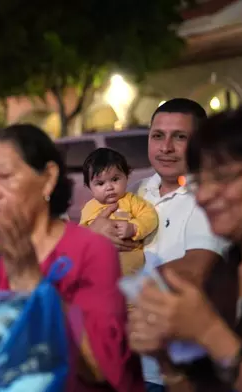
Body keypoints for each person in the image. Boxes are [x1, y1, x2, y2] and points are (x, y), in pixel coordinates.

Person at [0, 124, 144, 391]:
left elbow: (102, 368)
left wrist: (32, 282)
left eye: (6, 177)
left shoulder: (89, 251)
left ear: (48, 177)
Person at [88, 98, 230, 392]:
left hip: (176, 372)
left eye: (180, 137)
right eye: (157, 136)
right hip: (123, 362)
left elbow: (194, 271)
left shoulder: (209, 199)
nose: (165, 148)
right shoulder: (137, 191)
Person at [129, 107, 242, 392]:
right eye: (200, 182)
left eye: (222, 177)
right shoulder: (225, 274)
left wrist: (208, 331)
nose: (205, 196)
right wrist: (166, 362)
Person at [80, 148, 158, 277]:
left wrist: (134, 227)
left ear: (126, 177)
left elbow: (150, 216)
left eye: (115, 179)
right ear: (89, 187)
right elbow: (80, 234)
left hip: (131, 271)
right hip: (99, 271)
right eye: (100, 183)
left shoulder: (132, 200)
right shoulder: (89, 208)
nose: (109, 187)